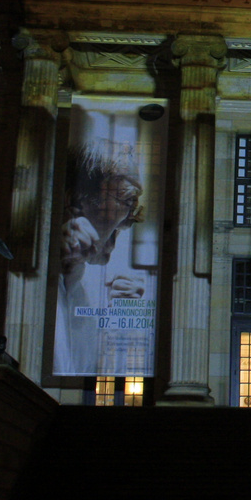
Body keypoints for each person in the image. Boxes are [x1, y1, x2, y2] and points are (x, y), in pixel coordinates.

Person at [54, 142, 147, 374]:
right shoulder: (33, 269)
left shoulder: (96, 284)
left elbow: (85, 368)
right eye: (128, 201)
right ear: (76, 200)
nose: (130, 220)